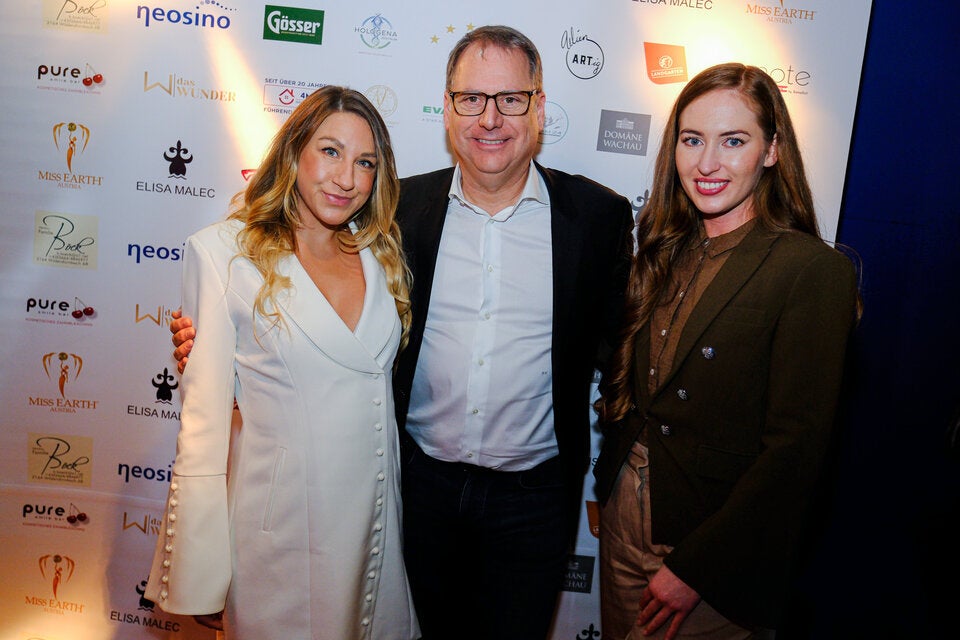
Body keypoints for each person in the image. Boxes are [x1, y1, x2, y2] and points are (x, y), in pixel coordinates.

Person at [171, 25, 634, 640]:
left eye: (511, 99)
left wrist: (612, 482)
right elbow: (308, 303)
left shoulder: (596, 218)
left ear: (540, 107)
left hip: (535, 499)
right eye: (471, 99)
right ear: (447, 110)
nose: (489, 118)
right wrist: (216, 347)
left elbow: (622, 358)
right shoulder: (396, 215)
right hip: (416, 492)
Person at [592, 62, 860, 640]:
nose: (707, 163)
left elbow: (794, 454)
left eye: (732, 141)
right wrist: (605, 487)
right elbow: (633, 390)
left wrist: (697, 568)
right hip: (623, 524)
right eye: (692, 140)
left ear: (772, 150)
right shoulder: (663, 251)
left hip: (710, 550)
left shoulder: (812, 271)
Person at [145, 85, 420, 640]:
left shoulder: (381, 257)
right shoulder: (224, 255)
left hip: (375, 534)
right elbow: (202, 430)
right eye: (330, 151)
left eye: (365, 162)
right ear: (293, 152)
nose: (347, 178)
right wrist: (201, 574)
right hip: (282, 541)